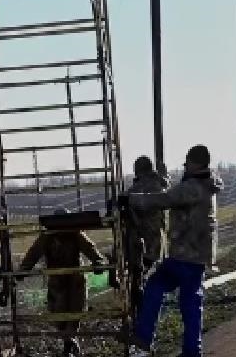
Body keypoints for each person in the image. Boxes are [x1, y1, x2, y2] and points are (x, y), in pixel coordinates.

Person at [121, 145, 223, 357]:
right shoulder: (206, 185)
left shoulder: (194, 187)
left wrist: (130, 199)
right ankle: (189, 350)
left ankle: (144, 341)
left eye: (187, 163)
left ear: (195, 164)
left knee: (163, 291)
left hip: (186, 255)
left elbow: (164, 199)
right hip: (193, 256)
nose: (185, 167)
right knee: (186, 302)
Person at [20, 209, 107, 356]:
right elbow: (34, 252)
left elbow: (90, 248)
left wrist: (98, 261)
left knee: (75, 310)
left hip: (75, 279)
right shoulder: (47, 237)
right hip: (57, 280)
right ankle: (68, 340)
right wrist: (24, 268)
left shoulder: (75, 233)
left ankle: (70, 341)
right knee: (58, 312)